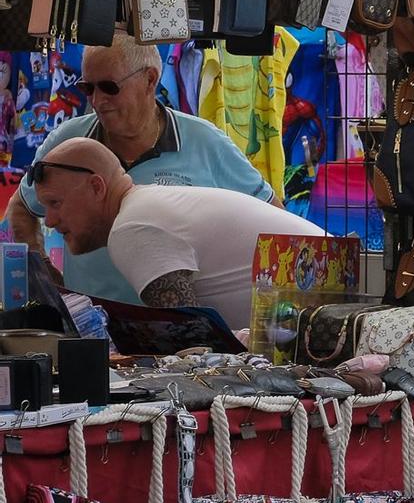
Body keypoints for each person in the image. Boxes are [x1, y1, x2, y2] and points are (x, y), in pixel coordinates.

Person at [9, 36, 276, 303]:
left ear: (150, 80)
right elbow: (22, 207)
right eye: (88, 88)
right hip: (94, 324)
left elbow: (273, 217)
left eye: (109, 87)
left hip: (169, 321)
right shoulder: (69, 144)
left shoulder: (205, 141)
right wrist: (43, 272)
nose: (97, 101)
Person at [30, 138, 323, 329]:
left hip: (326, 325)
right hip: (329, 308)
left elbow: (193, 339)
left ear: (97, 187)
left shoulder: (132, 227)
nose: (51, 220)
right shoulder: (149, 204)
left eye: (56, 203)